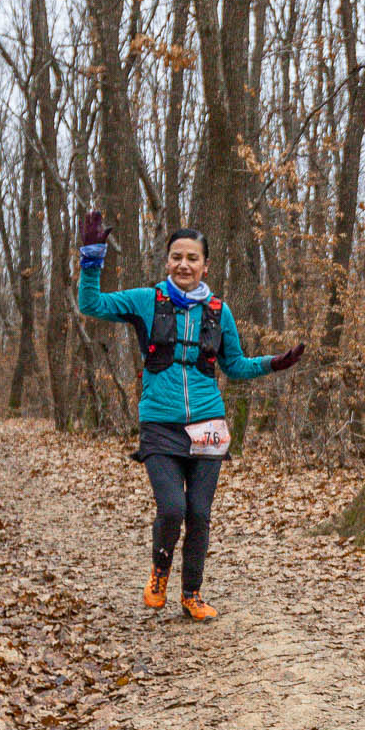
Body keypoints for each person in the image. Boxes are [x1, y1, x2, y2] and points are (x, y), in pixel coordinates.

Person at [75, 211, 304, 620]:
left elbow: (235, 366)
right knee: (172, 508)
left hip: (208, 424)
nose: (184, 264)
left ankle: (192, 594)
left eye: (192, 258)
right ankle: (159, 573)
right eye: (177, 257)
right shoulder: (146, 301)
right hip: (160, 423)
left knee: (199, 513)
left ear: (205, 265)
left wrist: (273, 363)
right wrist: (92, 258)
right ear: (167, 261)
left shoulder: (219, 311)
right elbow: (91, 304)